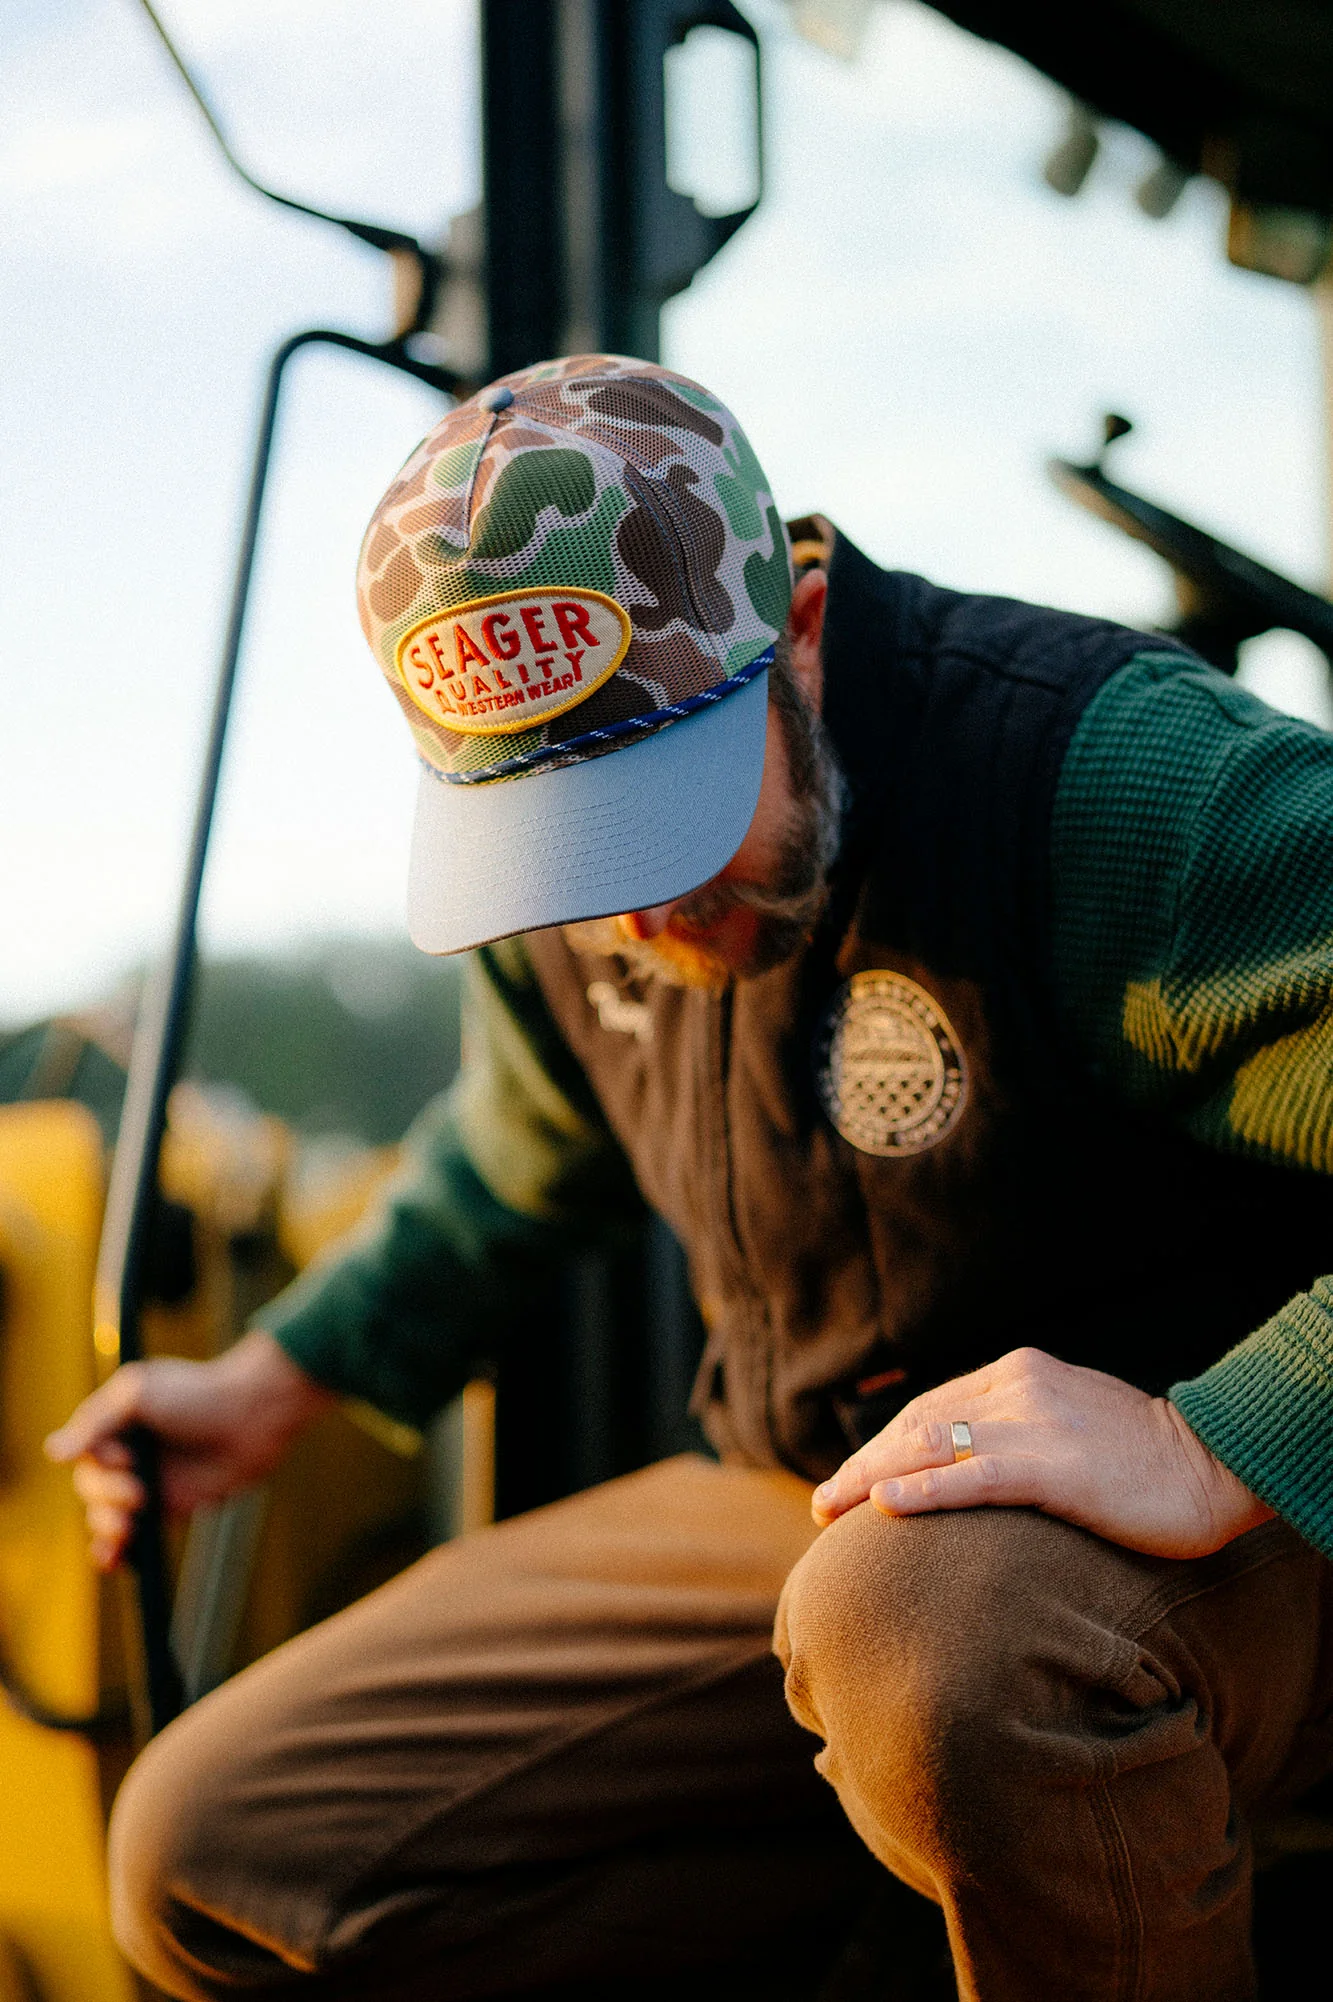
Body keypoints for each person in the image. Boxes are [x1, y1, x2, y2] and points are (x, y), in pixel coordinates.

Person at [48, 355, 1333, 2002]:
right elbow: (520, 1146)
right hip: (813, 1480)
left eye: (667, 820)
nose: (632, 918)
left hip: (1224, 1512)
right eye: (568, 848)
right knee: (219, 1850)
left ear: (799, 630)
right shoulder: (572, 895)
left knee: (936, 1636)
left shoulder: (1114, 784)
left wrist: (1212, 1434)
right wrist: (275, 1377)